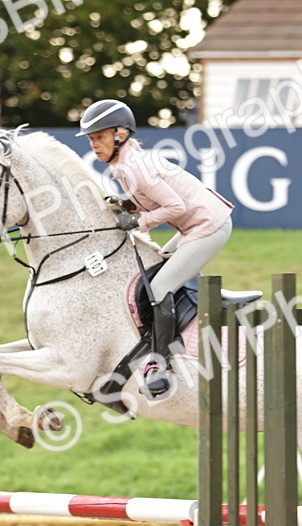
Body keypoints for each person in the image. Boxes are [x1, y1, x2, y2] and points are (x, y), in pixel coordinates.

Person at [77, 99, 234, 398]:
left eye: (99, 137)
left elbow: (175, 206)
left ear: (120, 136)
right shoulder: (125, 165)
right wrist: (129, 205)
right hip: (196, 225)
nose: (94, 144)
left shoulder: (133, 167)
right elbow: (154, 198)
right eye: (91, 139)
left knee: (161, 285)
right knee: (160, 262)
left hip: (208, 226)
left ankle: (160, 366)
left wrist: (138, 221)